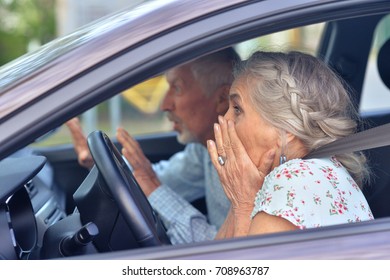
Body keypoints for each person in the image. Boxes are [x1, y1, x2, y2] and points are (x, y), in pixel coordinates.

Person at [66, 47, 241, 244]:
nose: (164, 104)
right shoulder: (205, 150)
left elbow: (220, 252)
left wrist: (150, 182)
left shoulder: (252, 160)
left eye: (176, 88)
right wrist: (102, 166)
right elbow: (162, 180)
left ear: (222, 98)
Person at [206, 50, 374, 239]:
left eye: (237, 109)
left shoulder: (295, 179)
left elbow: (245, 268)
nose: (225, 120)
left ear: (286, 129)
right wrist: (240, 196)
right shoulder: (320, 170)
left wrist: (244, 205)